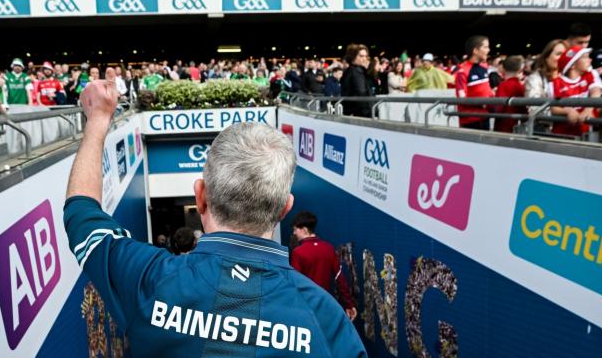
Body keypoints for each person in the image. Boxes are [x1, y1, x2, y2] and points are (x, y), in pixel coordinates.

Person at [63, 80, 367, 357]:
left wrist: (99, 120)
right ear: (285, 209)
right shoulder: (328, 320)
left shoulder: (151, 279)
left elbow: (82, 217)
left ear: (200, 197)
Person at [290, 211, 357, 321]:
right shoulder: (329, 248)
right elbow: (340, 279)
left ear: (304, 229)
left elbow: (295, 284)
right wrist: (349, 305)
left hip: (306, 308)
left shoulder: (298, 252)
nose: (294, 233)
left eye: (295, 229)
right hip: (325, 306)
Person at [551, 45, 602, 137]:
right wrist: (568, 111)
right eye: (585, 57)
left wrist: (588, 109)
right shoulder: (555, 83)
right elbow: (553, 108)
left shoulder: (591, 75)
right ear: (572, 65)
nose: (590, 60)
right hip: (562, 135)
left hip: (587, 134)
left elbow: (596, 92)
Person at [455, 35, 493, 129]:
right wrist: (482, 103)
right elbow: (462, 98)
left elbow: (485, 91)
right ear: (475, 51)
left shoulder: (484, 67)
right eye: (485, 47)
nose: (488, 50)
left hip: (485, 118)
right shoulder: (462, 71)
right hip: (470, 121)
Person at [493, 55, 527, 133]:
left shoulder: (502, 85)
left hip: (502, 125)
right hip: (516, 125)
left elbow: (498, 107)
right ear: (520, 70)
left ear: (503, 69)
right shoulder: (520, 86)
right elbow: (523, 108)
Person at [341, 43, 373, 116]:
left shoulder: (350, 70)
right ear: (353, 57)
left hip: (353, 111)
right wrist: (367, 111)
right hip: (361, 113)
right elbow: (361, 92)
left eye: (366, 56)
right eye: (361, 56)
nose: (364, 59)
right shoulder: (357, 71)